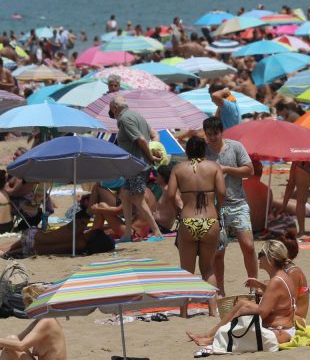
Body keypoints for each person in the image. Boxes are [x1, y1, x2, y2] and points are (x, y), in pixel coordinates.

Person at [186, 240, 298, 354]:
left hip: (277, 334)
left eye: (261, 255)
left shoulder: (275, 281)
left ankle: (210, 337)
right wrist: (259, 285)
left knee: (243, 307)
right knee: (243, 304)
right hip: (283, 330)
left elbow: (263, 312)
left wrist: (244, 309)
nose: (258, 258)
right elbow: (278, 297)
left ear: (271, 259)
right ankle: (209, 335)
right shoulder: (283, 276)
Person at [166, 136, 225, 317]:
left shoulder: (178, 168)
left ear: (187, 151)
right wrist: (218, 208)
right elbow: (222, 192)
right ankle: (213, 310)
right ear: (204, 150)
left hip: (188, 220)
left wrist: (179, 209)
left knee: (186, 270)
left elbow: (170, 194)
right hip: (210, 220)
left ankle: (184, 312)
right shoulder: (214, 167)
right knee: (207, 268)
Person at [203, 117, 257, 294]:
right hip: (215, 207)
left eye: (215, 134)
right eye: (209, 134)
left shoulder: (235, 147)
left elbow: (250, 170)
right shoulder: (203, 151)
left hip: (238, 203)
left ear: (221, 132)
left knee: (248, 246)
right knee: (218, 252)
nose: (212, 138)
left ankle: (254, 287)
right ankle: (221, 290)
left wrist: (226, 169)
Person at [111, 95, 164, 242]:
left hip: (136, 165)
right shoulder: (137, 115)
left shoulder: (124, 119)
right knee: (126, 196)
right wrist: (154, 148)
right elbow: (154, 134)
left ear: (115, 108)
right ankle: (127, 233)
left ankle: (157, 232)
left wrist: (151, 156)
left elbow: (140, 139)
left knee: (137, 198)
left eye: (111, 110)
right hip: (135, 165)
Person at [0, 209, 114, 258]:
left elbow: (83, 216)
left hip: (34, 236)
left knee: (8, 247)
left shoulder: (76, 229)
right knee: (7, 251)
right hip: (34, 248)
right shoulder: (80, 244)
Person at [0, 284, 67, 360]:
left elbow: (21, 346)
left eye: (26, 305)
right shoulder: (39, 322)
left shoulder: (47, 321)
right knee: (11, 340)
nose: (25, 310)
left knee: (11, 340)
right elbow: (14, 341)